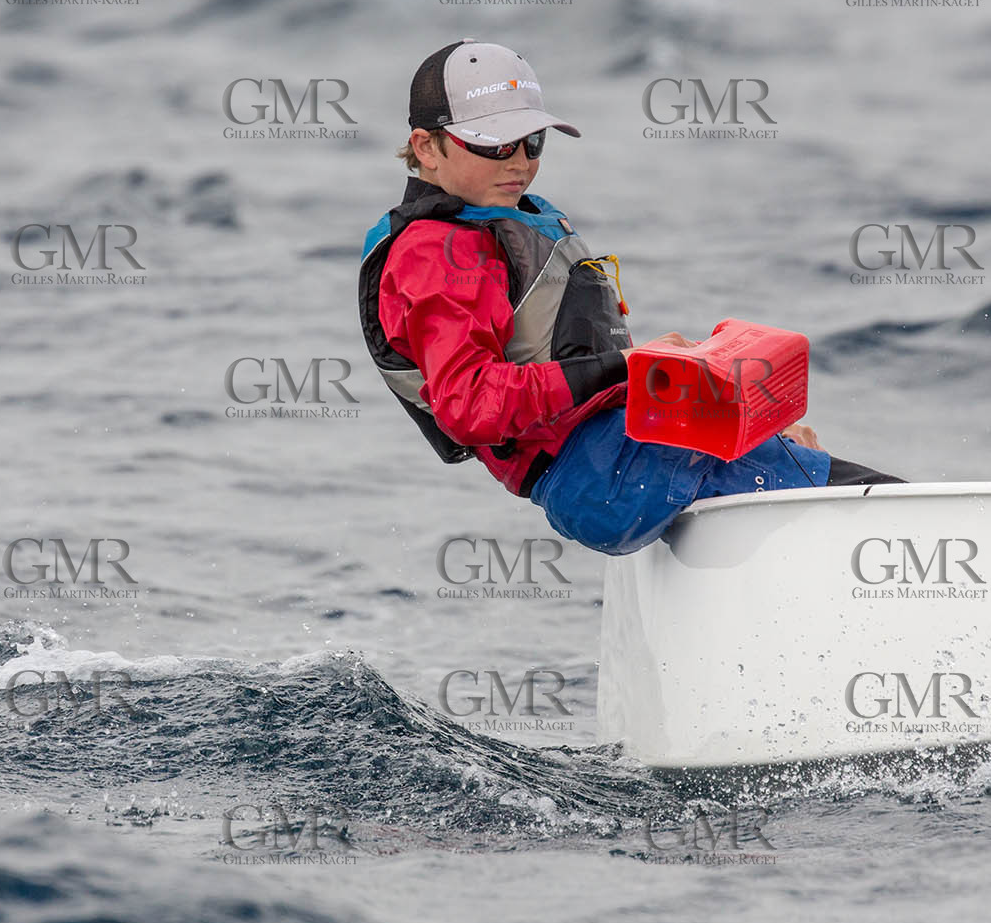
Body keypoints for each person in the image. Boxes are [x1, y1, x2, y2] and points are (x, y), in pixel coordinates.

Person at [358, 40, 901, 556]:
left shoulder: (492, 223)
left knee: (801, 456)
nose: (519, 161)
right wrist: (627, 366)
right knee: (880, 503)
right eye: (494, 143)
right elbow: (471, 406)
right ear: (427, 147)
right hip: (601, 473)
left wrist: (729, 423)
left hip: (614, 467)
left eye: (533, 142)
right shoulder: (438, 253)